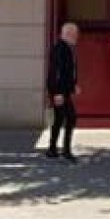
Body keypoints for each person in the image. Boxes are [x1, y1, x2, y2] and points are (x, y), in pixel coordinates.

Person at [46, 23, 80, 163]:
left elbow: (68, 71)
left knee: (59, 119)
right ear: (67, 34)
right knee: (71, 118)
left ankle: (53, 149)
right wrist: (57, 93)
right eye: (75, 34)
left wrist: (73, 85)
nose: (77, 36)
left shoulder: (66, 48)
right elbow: (56, 72)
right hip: (60, 92)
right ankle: (65, 151)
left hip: (63, 90)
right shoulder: (60, 49)